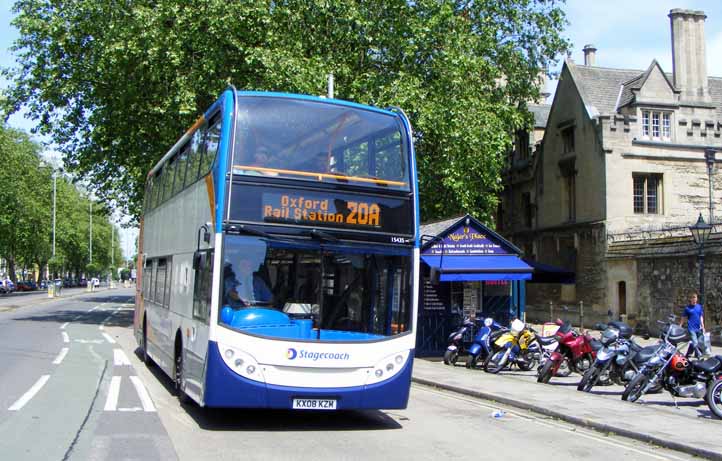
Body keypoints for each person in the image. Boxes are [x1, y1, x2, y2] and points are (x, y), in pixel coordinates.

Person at [680, 292, 706, 357]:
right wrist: (680, 325)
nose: (694, 299)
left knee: (698, 342)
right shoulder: (687, 308)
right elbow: (683, 317)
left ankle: (688, 354)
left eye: (695, 297)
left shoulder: (699, 307)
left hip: (698, 328)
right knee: (695, 342)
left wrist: (703, 327)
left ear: (697, 299)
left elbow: (701, 317)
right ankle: (699, 356)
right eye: (693, 298)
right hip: (691, 328)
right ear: (691, 299)